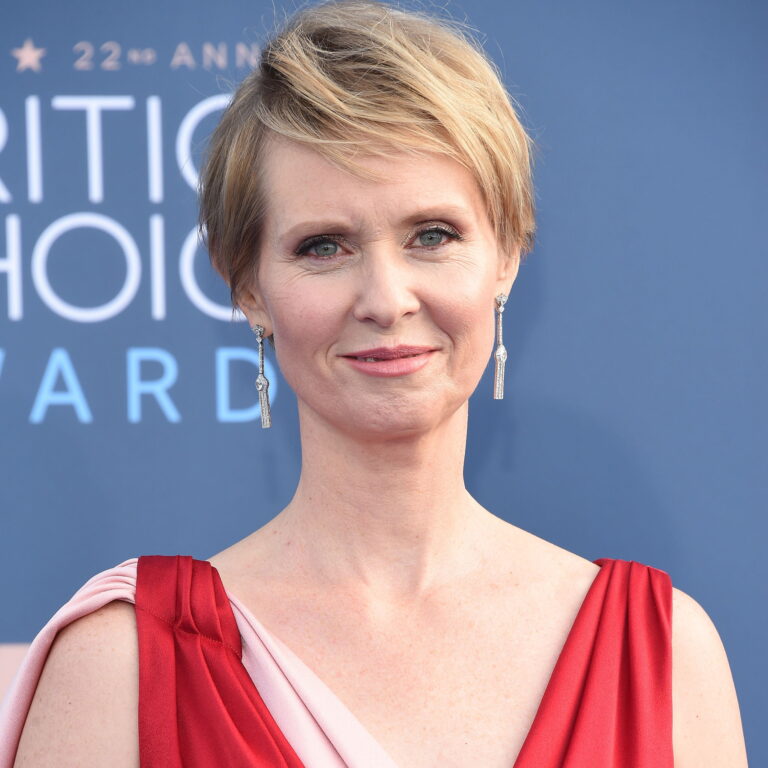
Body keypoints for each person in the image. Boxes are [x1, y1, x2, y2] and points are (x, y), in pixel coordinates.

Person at [1, 0, 748, 766]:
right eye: (324, 246)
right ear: (249, 288)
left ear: (508, 256)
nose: (387, 298)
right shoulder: (122, 665)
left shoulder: (660, 655)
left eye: (432, 235)